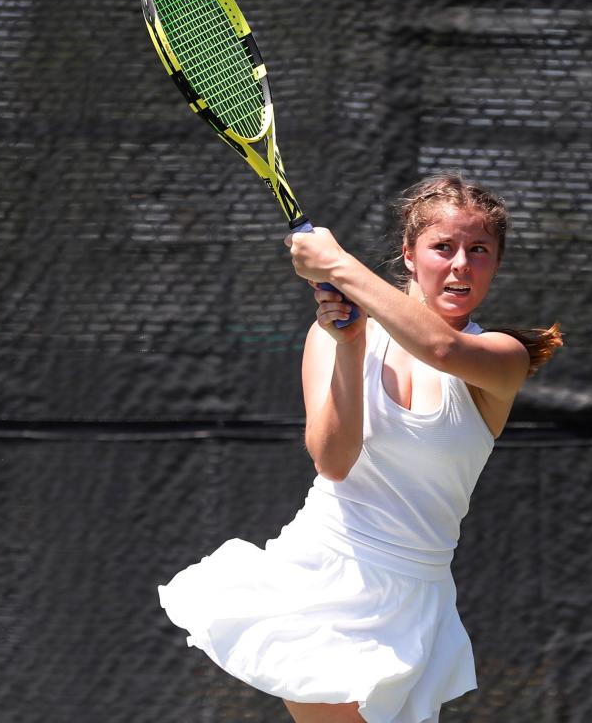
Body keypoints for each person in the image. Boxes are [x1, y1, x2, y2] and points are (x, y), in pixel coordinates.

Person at [158, 172, 562, 723]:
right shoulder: (333, 333)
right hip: (324, 576)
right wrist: (349, 346)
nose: (461, 264)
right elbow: (333, 460)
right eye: (442, 247)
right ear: (410, 253)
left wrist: (336, 264)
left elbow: (441, 348)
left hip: (416, 597)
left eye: (479, 250)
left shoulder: (501, 357)